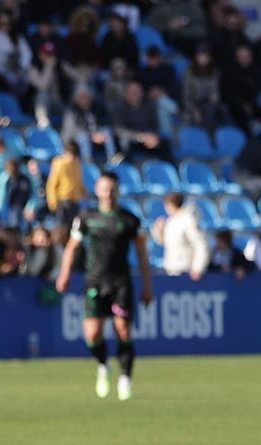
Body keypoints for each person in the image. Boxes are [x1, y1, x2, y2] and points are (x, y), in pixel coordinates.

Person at [55, 173, 154, 402]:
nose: (108, 193)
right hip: (95, 281)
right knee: (92, 333)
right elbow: (72, 247)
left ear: (117, 191)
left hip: (121, 282)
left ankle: (126, 378)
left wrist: (148, 286)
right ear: (97, 191)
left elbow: (141, 254)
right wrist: (65, 274)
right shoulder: (86, 218)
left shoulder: (129, 220)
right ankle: (102, 366)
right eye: (104, 189)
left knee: (124, 330)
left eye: (112, 189)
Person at [152, 192, 209, 280]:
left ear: (170, 204)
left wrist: (197, 268)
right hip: (172, 270)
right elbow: (163, 241)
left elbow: (200, 244)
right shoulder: (171, 221)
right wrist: (159, 230)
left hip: (186, 271)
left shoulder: (188, 220)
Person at [46, 141, 85, 226]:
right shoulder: (59, 164)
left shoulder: (77, 164)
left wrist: (85, 194)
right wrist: (53, 202)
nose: (73, 158)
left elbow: (79, 182)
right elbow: (52, 185)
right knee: (63, 227)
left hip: (75, 201)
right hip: (64, 201)